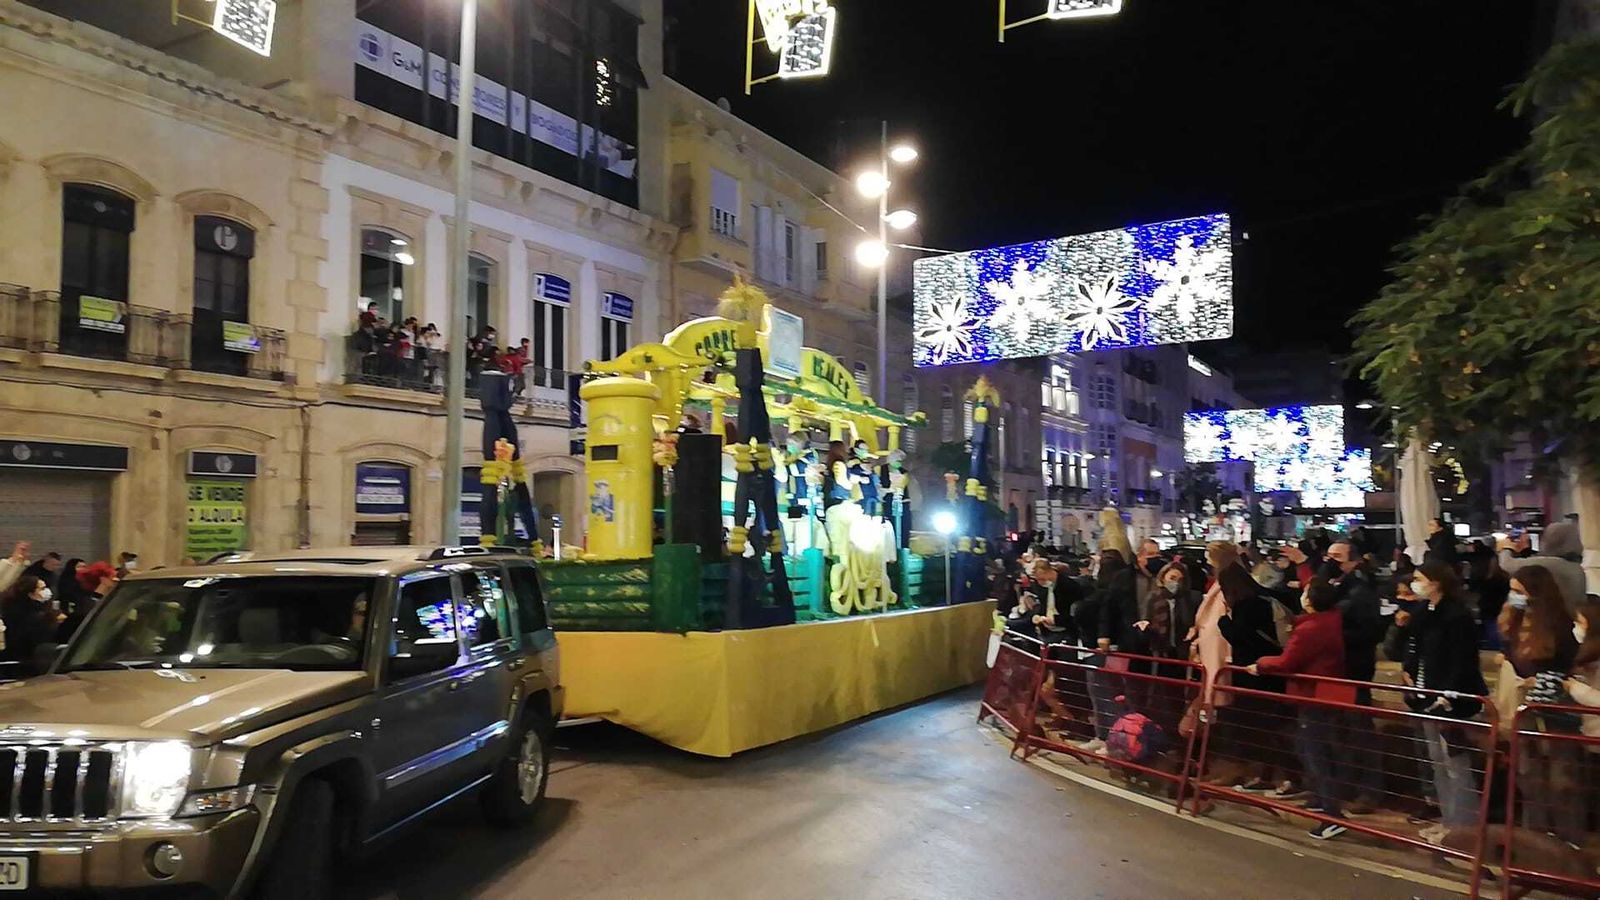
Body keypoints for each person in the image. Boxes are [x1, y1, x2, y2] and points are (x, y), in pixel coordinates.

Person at [1395, 562, 1488, 845]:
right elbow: (1415, 647)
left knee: (1455, 764)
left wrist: (1448, 693)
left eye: (1420, 579)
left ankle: (1464, 828)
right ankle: (1449, 821)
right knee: (1437, 762)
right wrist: (1408, 670)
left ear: (1436, 583)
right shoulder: (1424, 613)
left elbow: (1462, 661)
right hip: (1424, 695)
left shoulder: (1458, 617)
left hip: (1450, 700)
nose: (1416, 584)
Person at [1250, 578, 1349, 839]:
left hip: (1312, 695)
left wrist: (1260, 664)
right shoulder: (1330, 621)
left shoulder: (1311, 628)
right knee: (1310, 747)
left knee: (1315, 751)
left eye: (1306, 592)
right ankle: (1320, 799)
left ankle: (1331, 814)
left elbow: (1287, 661)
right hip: (1320, 693)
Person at [1499, 564, 1582, 847]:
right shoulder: (1514, 621)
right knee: (1528, 777)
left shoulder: (1559, 625)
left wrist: (1542, 680)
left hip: (1558, 710)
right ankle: (1535, 841)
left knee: (1563, 781)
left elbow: (1568, 663)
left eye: (1518, 592)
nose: (1513, 597)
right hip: (1526, 709)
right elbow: (1510, 652)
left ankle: (1569, 843)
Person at [1322, 540, 1387, 811]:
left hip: (1354, 668)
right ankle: (1345, 785)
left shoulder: (1360, 591)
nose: (1330, 562)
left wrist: (1334, 635)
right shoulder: (1339, 587)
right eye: (1328, 557)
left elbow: (1368, 632)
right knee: (1339, 730)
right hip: (1337, 668)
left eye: (1337, 557)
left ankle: (1369, 790)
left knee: (1359, 729)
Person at [1501, 521, 1586, 613]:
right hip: (1568, 620)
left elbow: (1506, 565)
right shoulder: (1574, 567)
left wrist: (1507, 548)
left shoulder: (1554, 564)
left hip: (1551, 622)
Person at [0, 575, 64, 672]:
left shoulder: (38, 610)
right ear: (31, 594)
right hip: (28, 661)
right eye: (42, 589)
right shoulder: (27, 615)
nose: (47, 591)